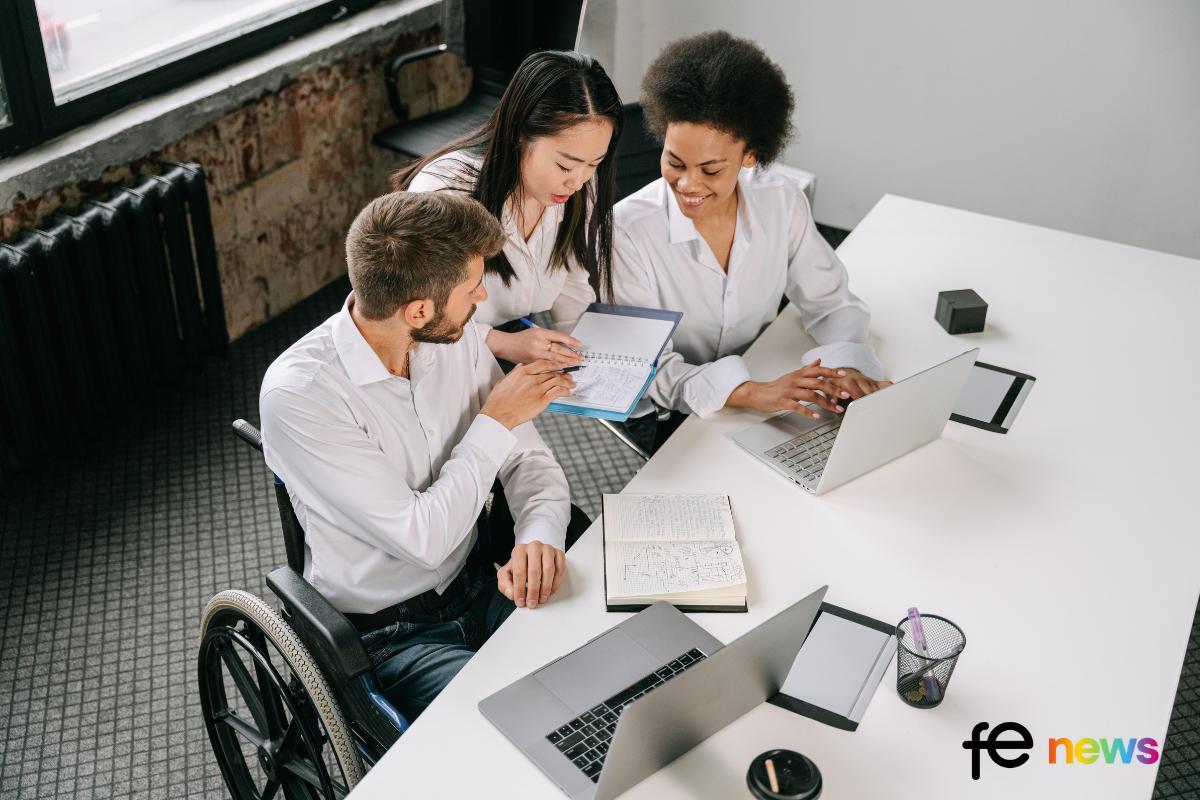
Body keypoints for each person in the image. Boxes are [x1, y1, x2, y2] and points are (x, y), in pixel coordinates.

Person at [259, 191, 579, 720]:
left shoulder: (455, 337)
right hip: (389, 634)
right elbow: (423, 541)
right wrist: (495, 421)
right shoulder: (300, 395)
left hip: (482, 582)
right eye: (472, 287)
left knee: (588, 674)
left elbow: (527, 460)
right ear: (419, 311)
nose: (482, 297)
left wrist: (537, 536)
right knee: (512, 725)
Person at [612, 31, 891, 453]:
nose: (688, 184)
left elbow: (831, 302)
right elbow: (645, 366)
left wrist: (845, 367)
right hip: (679, 411)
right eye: (674, 162)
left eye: (711, 170)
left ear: (750, 156)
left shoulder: (780, 200)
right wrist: (750, 392)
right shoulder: (627, 231)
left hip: (766, 376)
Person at [392, 50, 623, 370]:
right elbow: (416, 320)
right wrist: (503, 343)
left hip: (513, 345)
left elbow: (571, 286)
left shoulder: (580, 186)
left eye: (594, 163)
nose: (578, 181)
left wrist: (585, 355)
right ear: (519, 134)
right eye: (564, 165)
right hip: (434, 356)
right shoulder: (445, 195)